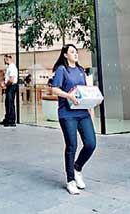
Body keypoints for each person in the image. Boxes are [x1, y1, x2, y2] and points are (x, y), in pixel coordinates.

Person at [50, 44, 97, 195]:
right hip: (67, 113)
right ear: (65, 55)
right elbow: (54, 89)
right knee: (72, 146)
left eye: (76, 52)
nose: (75, 54)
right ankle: (70, 180)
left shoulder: (81, 71)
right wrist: (68, 96)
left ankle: (77, 168)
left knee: (90, 144)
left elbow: (84, 91)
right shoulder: (62, 70)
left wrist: (93, 102)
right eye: (72, 52)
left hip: (83, 113)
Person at [0, 54, 18, 127]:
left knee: (10, 103)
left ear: (8, 59)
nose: (4, 61)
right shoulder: (9, 67)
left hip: (11, 87)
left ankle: (11, 120)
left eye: (4, 59)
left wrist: (5, 85)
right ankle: (7, 119)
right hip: (9, 86)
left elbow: (12, 79)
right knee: (7, 103)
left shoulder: (12, 67)